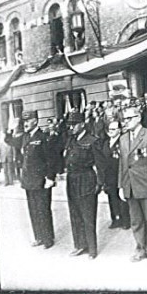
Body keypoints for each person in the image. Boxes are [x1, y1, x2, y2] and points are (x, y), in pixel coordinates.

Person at [118, 106, 147, 264]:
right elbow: (122, 164)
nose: (126, 122)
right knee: (136, 220)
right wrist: (121, 186)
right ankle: (140, 248)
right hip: (130, 185)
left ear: (138, 118)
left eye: (129, 118)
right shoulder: (123, 138)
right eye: (124, 119)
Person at [5, 110, 58, 249]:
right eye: (24, 121)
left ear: (35, 120)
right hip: (28, 180)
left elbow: (51, 160)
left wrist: (50, 178)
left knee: (43, 210)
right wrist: (11, 129)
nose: (25, 123)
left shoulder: (43, 137)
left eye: (28, 121)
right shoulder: (24, 137)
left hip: (41, 180)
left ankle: (48, 238)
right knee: (33, 210)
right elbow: (9, 141)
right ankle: (38, 237)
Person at [62, 111, 104, 259]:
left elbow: (100, 164)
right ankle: (80, 245)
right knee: (75, 214)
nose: (71, 128)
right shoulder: (71, 140)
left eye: (74, 125)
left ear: (82, 124)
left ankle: (92, 249)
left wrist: (100, 183)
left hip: (86, 180)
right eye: (70, 125)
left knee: (88, 216)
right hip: (72, 180)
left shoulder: (92, 140)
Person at [97, 120, 130, 229]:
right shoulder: (106, 143)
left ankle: (125, 220)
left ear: (119, 130)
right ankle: (115, 219)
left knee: (122, 198)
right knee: (112, 198)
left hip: (119, 174)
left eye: (113, 129)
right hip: (109, 175)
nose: (110, 131)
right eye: (109, 129)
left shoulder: (122, 142)